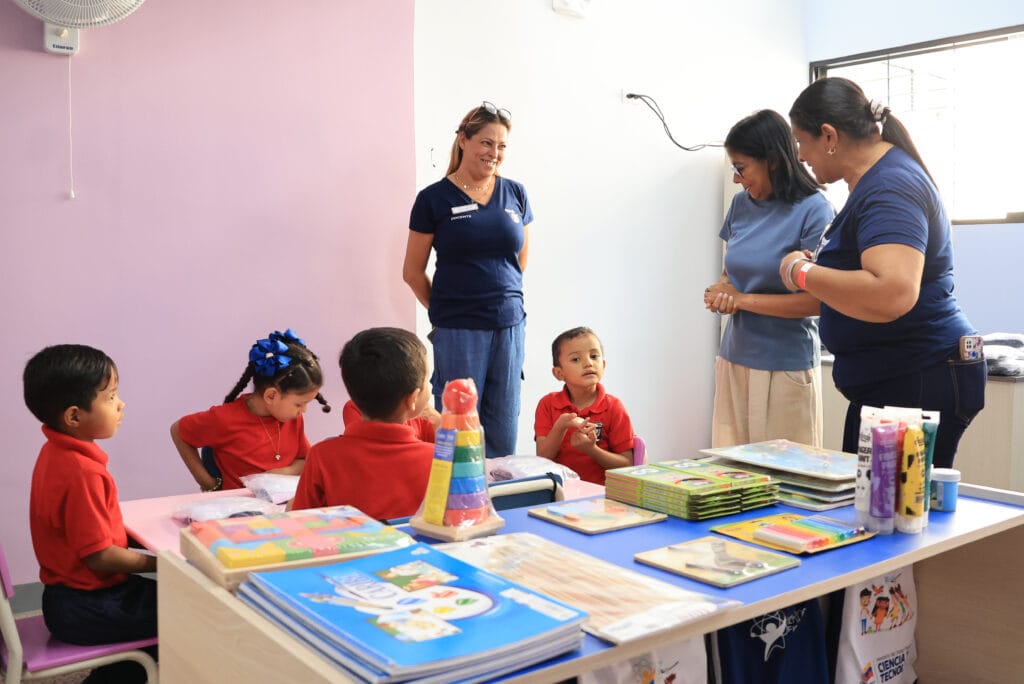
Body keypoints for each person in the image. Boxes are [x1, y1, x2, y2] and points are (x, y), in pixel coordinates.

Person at [782, 77, 985, 468]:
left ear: (829, 135)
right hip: (900, 376)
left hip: (916, 374)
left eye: (800, 141)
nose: (801, 156)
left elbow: (893, 291)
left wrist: (800, 271)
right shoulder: (877, 181)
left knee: (889, 517)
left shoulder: (890, 185)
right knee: (870, 511)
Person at [402, 101, 533, 458]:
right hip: (459, 329)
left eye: (502, 146)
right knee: (461, 431)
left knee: (504, 426)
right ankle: (458, 509)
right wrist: (448, 311)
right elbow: (412, 272)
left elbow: (517, 261)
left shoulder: (515, 193)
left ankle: (502, 502)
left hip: (509, 326)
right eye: (486, 143)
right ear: (464, 140)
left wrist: (497, 302)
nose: (494, 153)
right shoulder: (433, 199)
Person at [24, 344, 157, 684]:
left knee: (172, 605)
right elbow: (100, 557)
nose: (121, 404)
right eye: (111, 397)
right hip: (89, 605)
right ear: (74, 416)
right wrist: (164, 564)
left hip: (71, 600)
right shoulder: (82, 472)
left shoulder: (55, 451)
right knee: (190, 607)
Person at [704, 109, 835, 448]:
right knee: (729, 478)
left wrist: (741, 299)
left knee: (787, 481)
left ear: (773, 160)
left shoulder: (814, 209)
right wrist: (721, 291)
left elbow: (816, 301)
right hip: (734, 358)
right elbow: (730, 271)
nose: (736, 178)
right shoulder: (740, 205)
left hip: (786, 367)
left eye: (741, 168)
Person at [290, 327, 434, 520]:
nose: (431, 387)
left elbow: (303, 524)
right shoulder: (437, 461)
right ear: (413, 398)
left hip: (346, 550)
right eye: (428, 381)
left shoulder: (323, 456)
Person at [171, 328, 330, 491]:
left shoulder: (293, 419)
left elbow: (304, 460)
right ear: (271, 396)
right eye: (299, 404)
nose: (303, 411)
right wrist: (208, 483)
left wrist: (285, 472)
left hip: (282, 508)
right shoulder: (225, 419)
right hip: (238, 511)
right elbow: (178, 431)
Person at [534, 327, 635, 485]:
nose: (588, 363)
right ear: (559, 374)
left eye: (594, 356)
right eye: (576, 359)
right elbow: (543, 459)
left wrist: (591, 450)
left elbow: (628, 464)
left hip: (602, 496)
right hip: (559, 494)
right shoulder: (547, 404)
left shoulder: (614, 407)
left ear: (603, 364)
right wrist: (560, 427)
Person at [341, 397, 440, 442]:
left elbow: (445, 452)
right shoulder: (356, 408)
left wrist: (439, 421)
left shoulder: (424, 412)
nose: (430, 386)